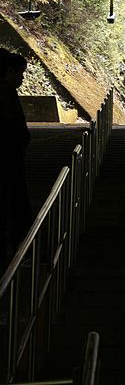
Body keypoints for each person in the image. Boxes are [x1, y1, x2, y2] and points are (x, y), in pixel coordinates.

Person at [0, 49, 32, 270]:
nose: (22, 79)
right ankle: (14, 253)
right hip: (8, 163)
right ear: (9, 71)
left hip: (10, 161)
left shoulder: (6, 91)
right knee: (11, 206)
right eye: (20, 74)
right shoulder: (4, 94)